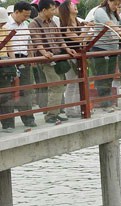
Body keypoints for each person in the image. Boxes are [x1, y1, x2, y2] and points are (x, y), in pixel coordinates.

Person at [29, 0, 77, 124]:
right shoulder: (34, 24)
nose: (54, 12)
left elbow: (60, 39)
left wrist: (67, 49)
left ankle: (55, 112)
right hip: (47, 60)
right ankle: (51, 115)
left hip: (57, 57)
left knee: (60, 85)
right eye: (52, 9)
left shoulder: (52, 23)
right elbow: (37, 41)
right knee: (55, 86)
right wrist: (45, 53)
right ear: (44, 10)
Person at [2, 1, 37, 129]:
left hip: (24, 59)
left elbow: (29, 41)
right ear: (16, 12)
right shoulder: (5, 24)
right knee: (7, 93)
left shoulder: (25, 24)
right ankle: (8, 123)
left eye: (28, 15)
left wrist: (31, 55)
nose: (26, 18)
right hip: (9, 59)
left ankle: (28, 119)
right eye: (24, 15)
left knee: (26, 90)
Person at [58, 0, 93, 118]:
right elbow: (77, 39)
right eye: (72, 5)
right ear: (67, 9)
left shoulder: (78, 22)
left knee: (81, 82)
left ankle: (79, 107)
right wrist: (87, 30)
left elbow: (82, 40)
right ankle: (69, 109)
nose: (75, 6)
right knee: (72, 83)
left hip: (78, 56)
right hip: (70, 57)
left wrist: (89, 34)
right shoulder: (65, 25)